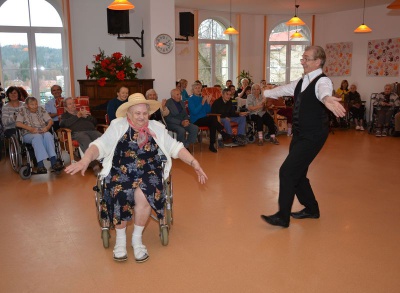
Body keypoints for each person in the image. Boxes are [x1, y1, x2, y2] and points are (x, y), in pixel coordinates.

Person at [64, 93, 208, 263]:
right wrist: (85, 160)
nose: (141, 117)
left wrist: (194, 162)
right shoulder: (118, 126)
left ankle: (137, 239)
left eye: (144, 113)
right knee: (121, 192)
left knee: (144, 193)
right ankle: (120, 240)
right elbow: (99, 145)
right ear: (129, 114)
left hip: (150, 170)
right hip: (121, 170)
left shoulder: (157, 127)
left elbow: (175, 147)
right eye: (137, 113)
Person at [260, 45, 346, 228]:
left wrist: (326, 99)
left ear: (318, 62)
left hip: (314, 135)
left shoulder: (323, 82)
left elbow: (323, 92)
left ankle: (282, 217)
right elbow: (283, 89)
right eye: (303, 58)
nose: (302, 61)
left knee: (287, 171)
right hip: (300, 134)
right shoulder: (302, 81)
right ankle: (312, 209)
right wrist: (265, 92)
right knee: (298, 174)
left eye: (306, 58)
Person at [15, 97, 63, 174]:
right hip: (28, 133)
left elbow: (50, 121)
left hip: (43, 131)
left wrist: (47, 127)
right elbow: (18, 123)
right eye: (32, 104)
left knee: (48, 135)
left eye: (36, 104)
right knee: (37, 137)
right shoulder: (22, 110)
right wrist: (30, 128)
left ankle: (54, 163)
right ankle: (40, 165)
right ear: (27, 105)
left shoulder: (41, 109)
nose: (35, 106)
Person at [60, 97, 102, 174]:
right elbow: (63, 124)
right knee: (86, 140)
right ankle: (95, 165)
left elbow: (95, 122)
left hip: (92, 131)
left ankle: (108, 161)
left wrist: (88, 117)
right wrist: (77, 116)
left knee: (103, 138)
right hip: (78, 133)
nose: (73, 105)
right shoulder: (65, 116)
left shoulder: (82, 112)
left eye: (73, 103)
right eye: (70, 104)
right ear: (66, 107)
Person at [188, 83, 230, 153]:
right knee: (212, 119)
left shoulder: (202, 98)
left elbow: (208, 111)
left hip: (205, 119)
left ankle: (212, 144)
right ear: (192, 90)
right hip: (195, 120)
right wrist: (202, 103)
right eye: (196, 88)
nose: (198, 89)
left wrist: (207, 103)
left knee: (212, 122)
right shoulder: (191, 99)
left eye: (199, 88)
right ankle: (222, 132)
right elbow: (194, 112)